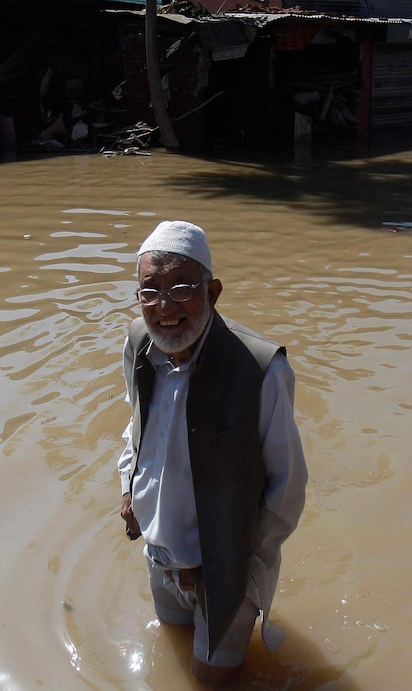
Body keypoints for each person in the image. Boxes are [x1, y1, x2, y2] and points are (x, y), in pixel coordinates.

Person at [118, 220, 308, 685]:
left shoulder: (261, 369)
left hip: (223, 571)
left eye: (182, 288)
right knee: (173, 648)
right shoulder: (139, 345)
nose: (164, 307)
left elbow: (288, 488)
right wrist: (128, 488)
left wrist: (236, 569)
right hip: (158, 555)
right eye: (150, 290)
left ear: (213, 291)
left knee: (211, 681)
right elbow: (135, 427)